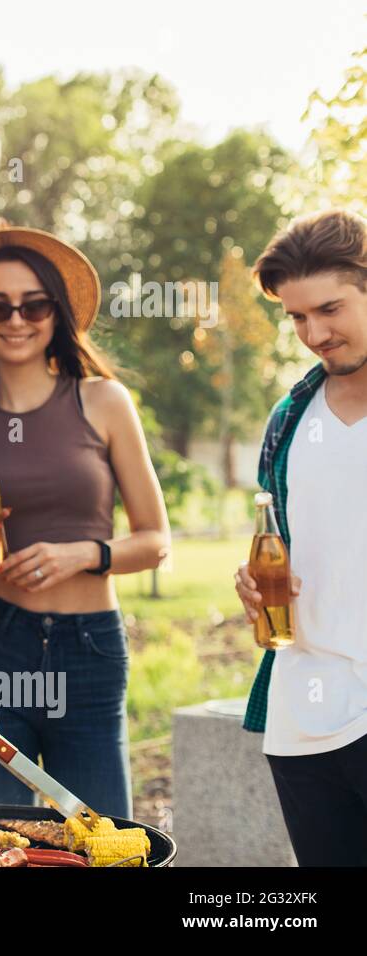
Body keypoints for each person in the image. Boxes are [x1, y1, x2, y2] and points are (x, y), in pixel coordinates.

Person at [0, 226, 170, 818]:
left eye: (33, 304)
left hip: (89, 650)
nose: (16, 319)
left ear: (56, 314)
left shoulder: (104, 402)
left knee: (104, 840)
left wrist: (82, 554)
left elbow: (156, 540)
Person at [235, 208, 367, 866]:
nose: (314, 333)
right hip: (304, 722)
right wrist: (253, 591)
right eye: (296, 318)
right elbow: (281, 551)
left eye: (330, 309)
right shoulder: (289, 419)